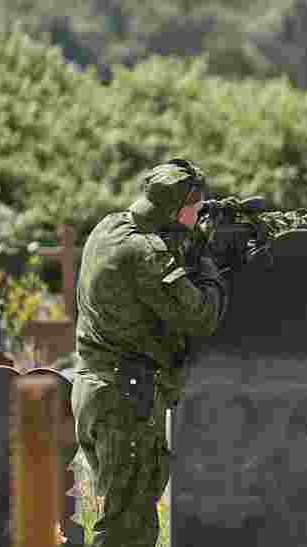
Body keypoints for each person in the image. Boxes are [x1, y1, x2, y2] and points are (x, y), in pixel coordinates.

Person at [71, 158, 228, 547]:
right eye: (194, 208)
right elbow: (201, 315)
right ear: (176, 209)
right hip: (127, 404)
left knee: (126, 518)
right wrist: (209, 266)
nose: (198, 215)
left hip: (98, 388)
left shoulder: (109, 227)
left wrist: (185, 242)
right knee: (128, 531)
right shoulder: (147, 255)